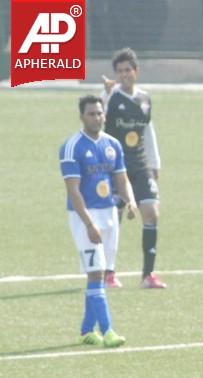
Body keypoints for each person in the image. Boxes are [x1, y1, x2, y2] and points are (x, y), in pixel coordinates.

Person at [60, 95, 138, 348]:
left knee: (100, 273)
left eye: (99, 113)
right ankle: (108, 331)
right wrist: (89, 224)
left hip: (109, 214)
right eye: (91, 113)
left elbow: (121, 178)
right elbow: (73, 190)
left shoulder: (112, 144)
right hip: (85, 215)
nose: (96, 117)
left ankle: (86, 331)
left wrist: (130, 201)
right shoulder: (72, 146)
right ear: (81, 116)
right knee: (96, 273)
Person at [101, 47, 166, 289]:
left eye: (128, 70)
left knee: (151, 213)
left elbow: (148, 130)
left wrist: (155, 162)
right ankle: (109, 273)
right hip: (116, 168)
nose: (124, 74)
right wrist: (106, 92)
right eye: (120, 71)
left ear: (136, 71)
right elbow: (98, 114)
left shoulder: (145, 99)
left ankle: (148, 276)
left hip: (140, 166)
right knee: (113, 219)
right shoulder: (111, 97)